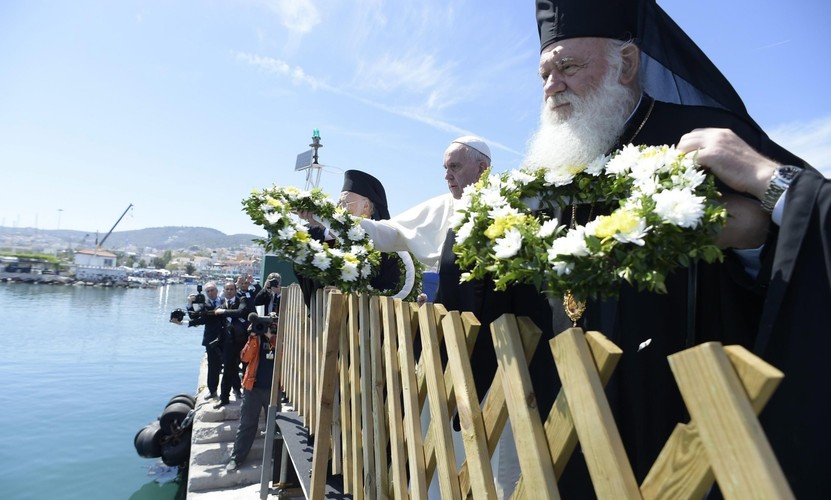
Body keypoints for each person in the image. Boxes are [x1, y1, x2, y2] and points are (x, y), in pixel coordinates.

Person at [521, 0, 826, 495]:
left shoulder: (705, 135)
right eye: (544, 74)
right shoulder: (559, 161)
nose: (553, 85)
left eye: (569, 67)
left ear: (627, 64)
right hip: (575, 405)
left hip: (686, 404)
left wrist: (753, 235)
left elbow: (803, 240)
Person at [300, 170, 414, 302]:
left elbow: (389, 295)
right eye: (338, 204)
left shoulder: (389, 247)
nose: (339, 209)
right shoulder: (326, 236)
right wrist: (327, 229)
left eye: (345, 204)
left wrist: (348, 295)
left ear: (365, 206)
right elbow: (308, 275)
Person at [225, 317, 278, 472]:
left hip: (273, 389)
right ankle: (237, 458)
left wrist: (272, 337)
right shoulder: (255, 339)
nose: (266, 328)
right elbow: (245, 357)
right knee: (247, 424)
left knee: (275, 425)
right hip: (252, 388)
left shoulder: (279, 338)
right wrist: (254, 337)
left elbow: (285, 354)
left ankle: (276, 456)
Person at [212, 281, 254, 408]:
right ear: (223, 291)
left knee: (247, 369)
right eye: (227, 289)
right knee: (227, 372)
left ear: (235, 290)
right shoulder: (220, 305)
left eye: (231, 289)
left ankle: (249, 397)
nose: (229, 291)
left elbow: (240, 312)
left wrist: (223, 312)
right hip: (228, 344)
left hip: (242, 342)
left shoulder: (242, 301)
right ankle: (224, 398)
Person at [186, 282, 225, 399]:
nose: (210, 292)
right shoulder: (204, 304)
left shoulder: (225, 301)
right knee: (213, 366)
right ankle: (212, 390)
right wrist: (189, 303)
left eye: (212, 290)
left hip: (226, 337)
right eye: (207, 291)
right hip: (211, 339)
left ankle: (233, 390)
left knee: (229, 365)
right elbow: (194, 316)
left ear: (217, 290)